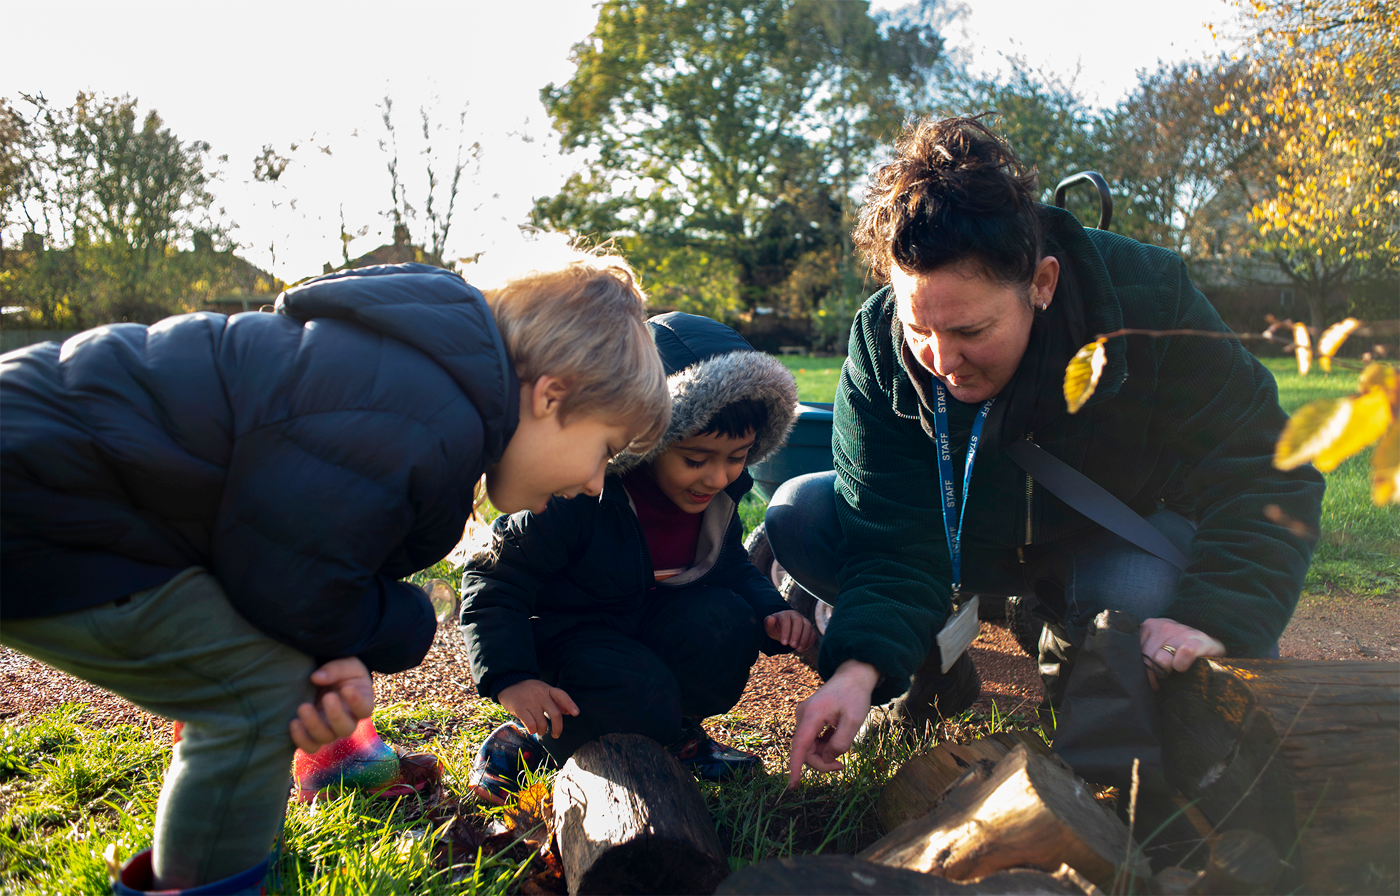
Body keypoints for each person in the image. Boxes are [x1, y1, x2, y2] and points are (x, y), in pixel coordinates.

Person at [0, 256, 669, 894]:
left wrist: (337, 641)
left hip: (62, 483)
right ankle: (210, 881)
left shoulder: (415, 379)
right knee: (254, 693)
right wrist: (402, 625)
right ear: (552, 395)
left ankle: (245, 816)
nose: (594, 482)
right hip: (40, 504)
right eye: (603, 450)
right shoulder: (423, 413)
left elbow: (294, 545)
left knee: (274, 659)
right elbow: (292, 582)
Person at [768, 116, 1325, 787]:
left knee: (1138, 596)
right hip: (962, 537)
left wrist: (1214, 619)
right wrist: (857, 670)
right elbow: (892, 538)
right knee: (805, 512)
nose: (943, 361)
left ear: (1042, 283)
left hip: (1103, 535)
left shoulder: (1148, 297)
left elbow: (1263, 462)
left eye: (971, 329)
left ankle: (1064, 623)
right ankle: (932, 668)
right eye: (920, 327)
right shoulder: (878, 340)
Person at [460, 311, 815, 804]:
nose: (717, 478)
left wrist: (769, 609)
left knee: (723, 625)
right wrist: (512, 677)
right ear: (646, 441)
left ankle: (676, 734)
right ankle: (528, 745)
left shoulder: (718, 498)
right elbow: (494, 580)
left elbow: (729, 564)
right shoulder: (578, 491)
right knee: (633, 688)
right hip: (572, 643)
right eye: (696, 459)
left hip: (644, 624)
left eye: (737, 457)